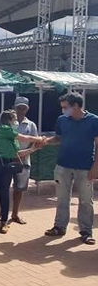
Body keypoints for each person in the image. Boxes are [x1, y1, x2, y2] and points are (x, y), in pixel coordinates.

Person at [45, 93, 98, 245]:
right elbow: (58, 138)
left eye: (65, 107)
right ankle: (59, 227)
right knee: (62, 199)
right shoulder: (62, 120)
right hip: (63, 165)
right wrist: (45, 142)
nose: (63, 110)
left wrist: (95, 166)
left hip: (85, 167)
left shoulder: (94, 121)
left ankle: (86, 232)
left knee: (86, 201)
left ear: (76, 106)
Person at [0, 110, 45, 233]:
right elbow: (25, 137)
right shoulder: (3, 129)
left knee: (4, 192)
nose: (16, 122)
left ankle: (4, 222)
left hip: (6, 163)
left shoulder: (12, 136)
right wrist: (40, 138)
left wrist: (32, 149)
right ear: (8, 120)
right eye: (14, 119)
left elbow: (17, 153)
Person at [0, 97, 38, 225]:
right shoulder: (6, 123)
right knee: (4, 187)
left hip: (23, 160)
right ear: (14, 107)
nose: (21, 110)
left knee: (19, 188)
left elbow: (34, 141)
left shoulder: (31, 125)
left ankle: (15, 214)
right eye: (19, 107)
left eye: (23, 107)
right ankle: (3, 212)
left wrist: (27, 152)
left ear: (27, 109)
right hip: (7, 159)